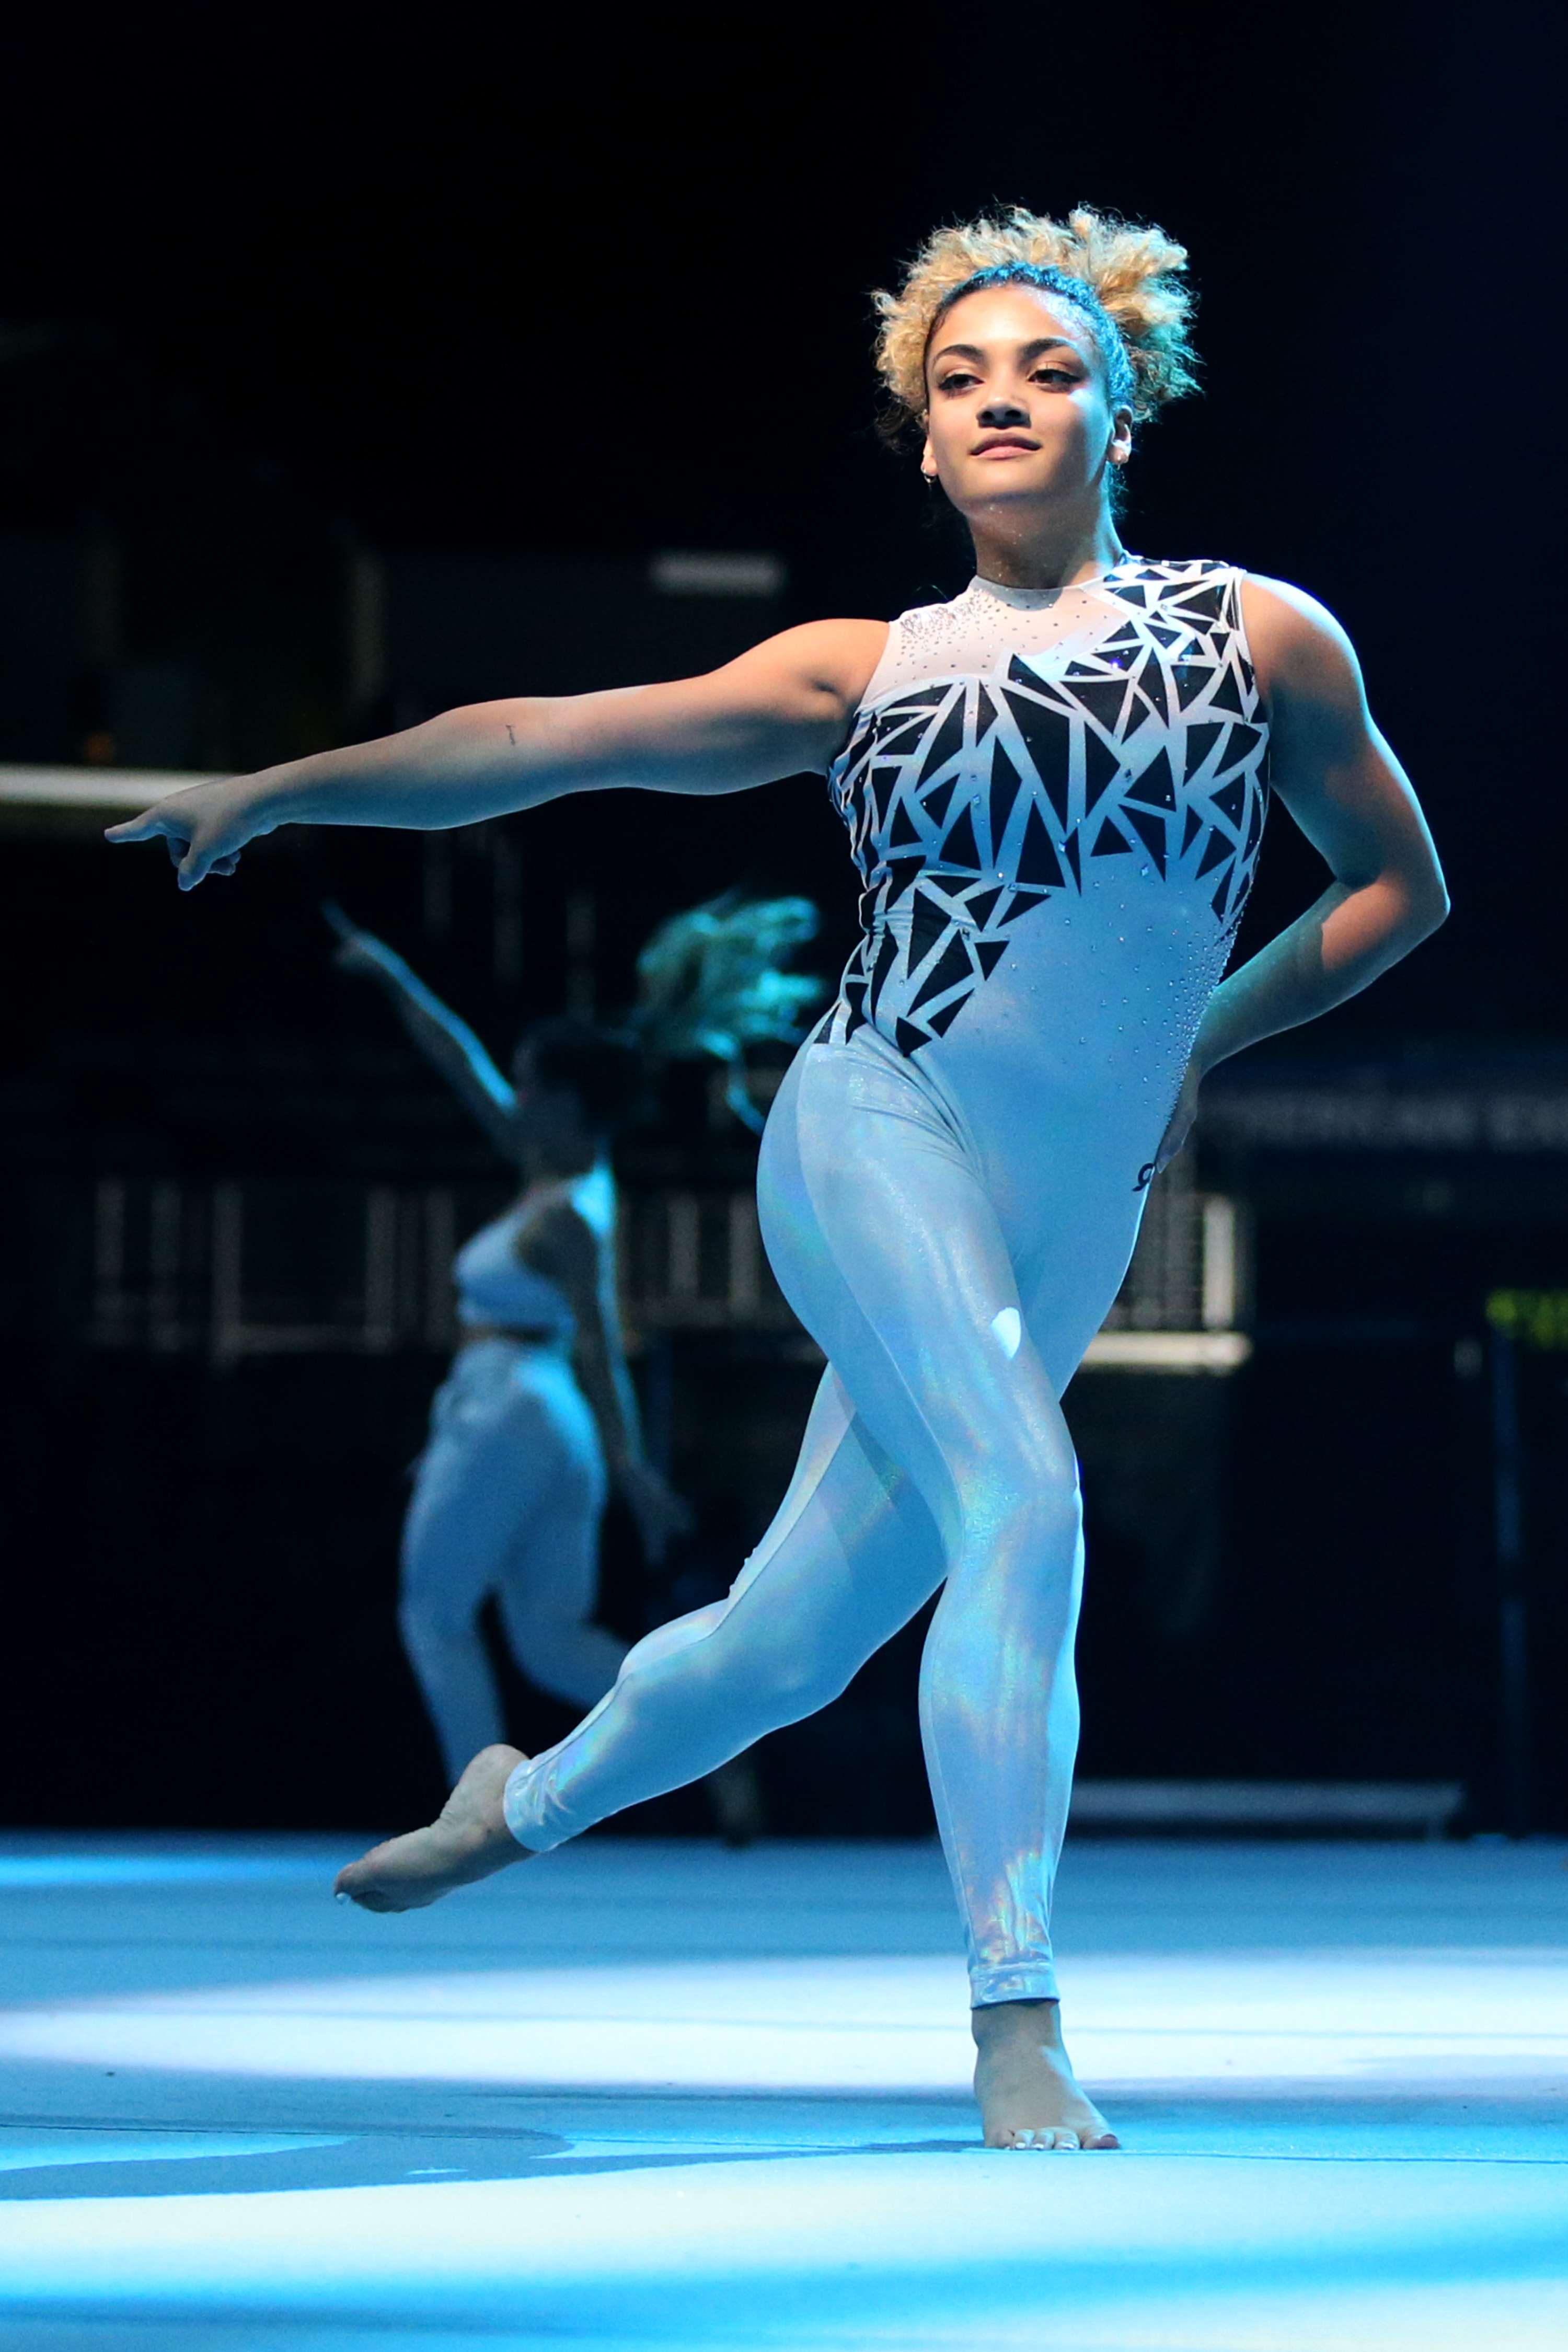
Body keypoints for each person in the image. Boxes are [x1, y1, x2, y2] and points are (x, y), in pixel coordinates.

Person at [109, 205, 1448, 2149]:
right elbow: (541, 738)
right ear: (922, 442)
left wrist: (1204, 1039)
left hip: (1075, 1211)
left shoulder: (1261, 639)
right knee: (1025, 1487)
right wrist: (284, 787)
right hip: (870, 1120)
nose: (1003, 401)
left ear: (1125, 409)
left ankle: (526, 1801)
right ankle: (1019, 2020)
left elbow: (1405, 887)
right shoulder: (868, 668)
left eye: (1047, 370)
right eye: (961, 380)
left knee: (785, 1648)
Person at [324, 905, 687, 1786]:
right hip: (539, 1417)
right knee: (551, 1643)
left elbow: (600, 1340)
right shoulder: (557, 1177)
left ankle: (474, 1807)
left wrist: (634, 1467)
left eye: (525, 1084)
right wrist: (393, 976)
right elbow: (459, 1063)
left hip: (514, 1404)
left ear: (563, 1100)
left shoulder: (565, 1214)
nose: (511, 1096)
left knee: (435, 1615)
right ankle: (695, 1721)